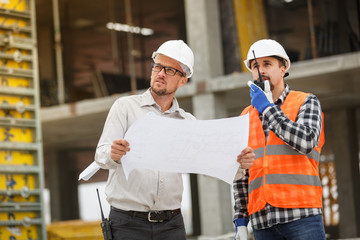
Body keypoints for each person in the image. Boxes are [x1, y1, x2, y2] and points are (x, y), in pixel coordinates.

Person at [95, 39, 254, 240]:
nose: (160, 73)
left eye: (169, 70)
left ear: (182, 80)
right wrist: (112, 153)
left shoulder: (187, 122)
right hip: (128, 224)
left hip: (171, 226)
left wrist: (239, 164)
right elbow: (101, 154)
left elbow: (209, 166)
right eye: (158, 66)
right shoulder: (125, 108)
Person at [233, 39, 326, 240]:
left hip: (302, 216)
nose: (261, 71)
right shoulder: (245, 117)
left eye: (268, 64)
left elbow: (306, 141)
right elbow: (241, 174)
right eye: (255, 66)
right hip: (262, 222)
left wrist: (267, 108)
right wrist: (240, 220)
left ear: (283, 69)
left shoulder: (306, 102)